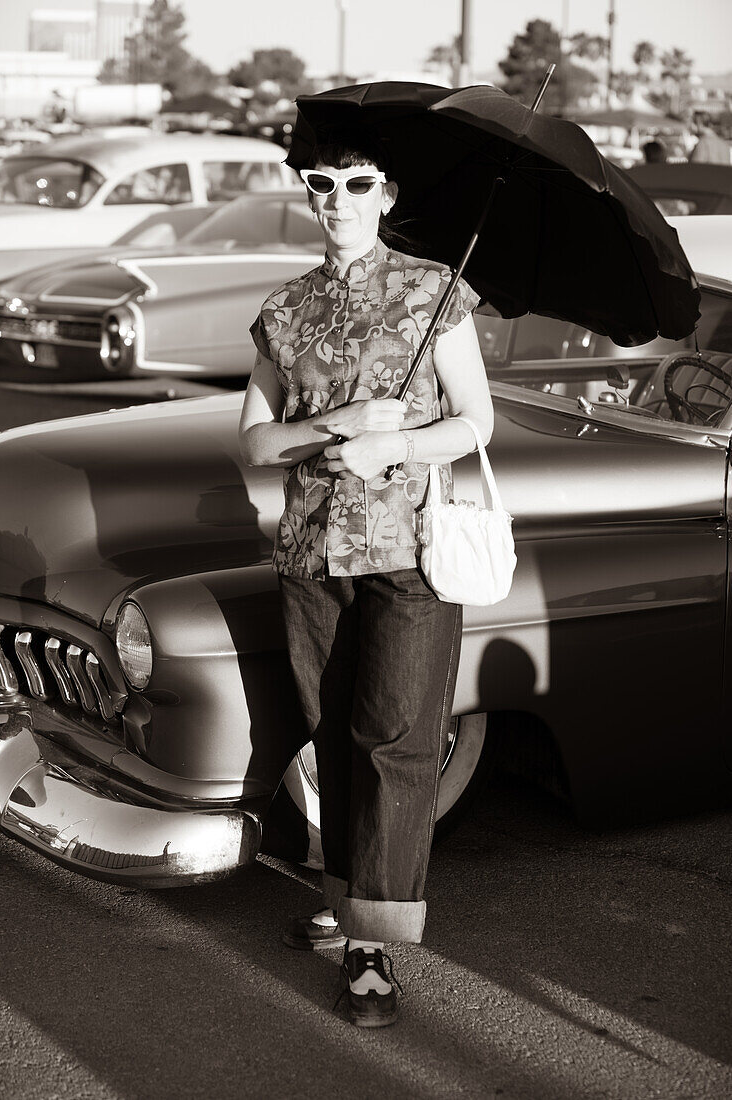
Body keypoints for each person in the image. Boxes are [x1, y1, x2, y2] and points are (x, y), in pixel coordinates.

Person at [239, 133, 493, 1027]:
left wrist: (398, 445)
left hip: (410, 554)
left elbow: (476, 421)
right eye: (322, 181)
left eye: (357, 183)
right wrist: (340, 421)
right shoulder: (286, 308)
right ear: (308, 193)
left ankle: (371, 947)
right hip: (312, 554)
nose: (337, 197)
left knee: (394, 741)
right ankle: (346, 898)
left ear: (386, 194)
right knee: (332, 735)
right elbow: (256, 441)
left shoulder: (434, 290)